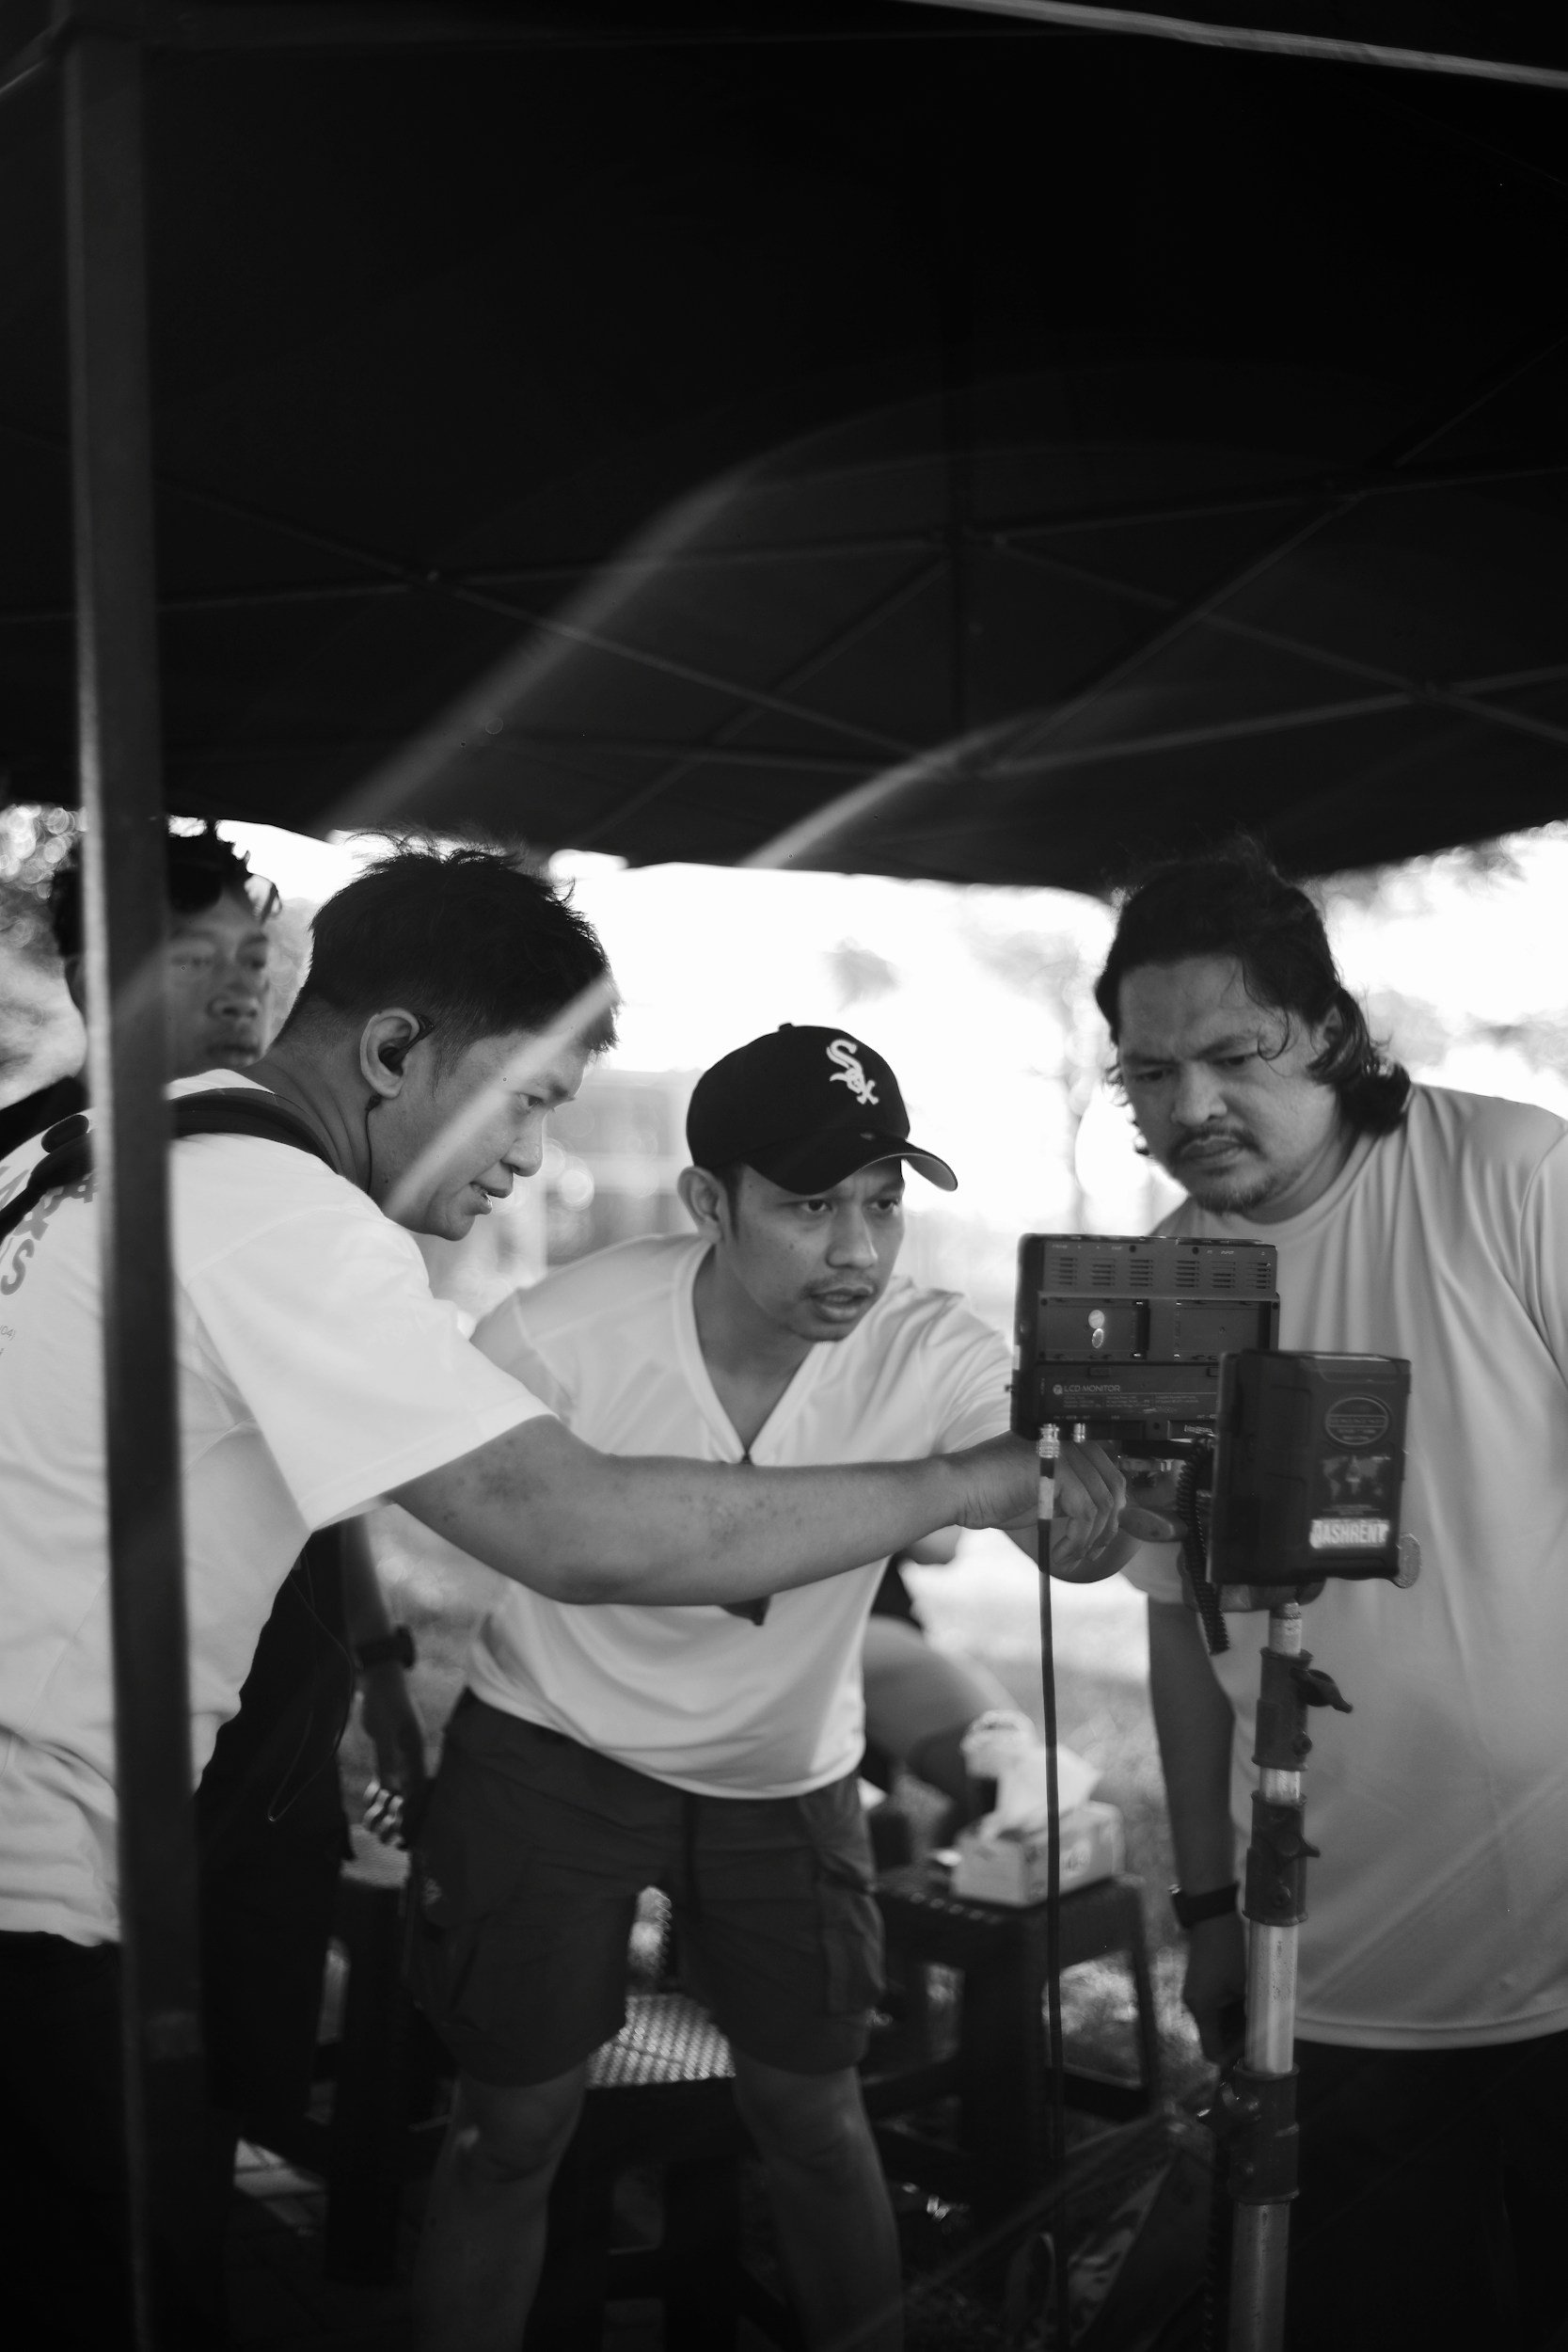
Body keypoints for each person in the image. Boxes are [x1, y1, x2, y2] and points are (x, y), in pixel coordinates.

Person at [0, 850, 1047, 2349]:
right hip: (28, 1865)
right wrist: (964, 1485)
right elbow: (576, 1527)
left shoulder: (108, 1146)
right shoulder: (282, 1220)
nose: (536, 1160)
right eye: (532, 1098)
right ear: (393, 1052)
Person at [406, 1023, 1176, 2352]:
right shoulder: (558, 1332)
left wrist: (1101, 1502)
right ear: (712, 1202)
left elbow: (1058, 1512)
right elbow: (458, 1512)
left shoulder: (930, 1347)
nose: (858, 1253)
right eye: (811, 1207)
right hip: (552, 1747)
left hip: (786, 1771)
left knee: (815, 2121)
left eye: (882, 1206)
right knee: (508, 2132)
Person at [1089, 840, 1568, 2352]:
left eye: (1235, 1055)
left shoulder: (1511, 1175)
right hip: (1331, 1963)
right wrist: (1209, 1910)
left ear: (1334, 1032)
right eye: (1149, 1073)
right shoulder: (1162, 1286)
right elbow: (1179, 1627)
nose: (1191, 1108)